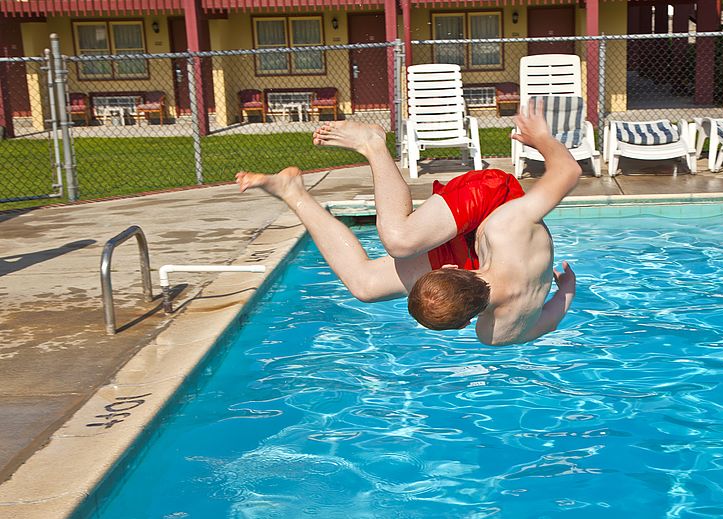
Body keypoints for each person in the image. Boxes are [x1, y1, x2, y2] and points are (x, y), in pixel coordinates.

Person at [236, 99, 579, 346]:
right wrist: (542, 139)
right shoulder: (507, 231)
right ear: (446, 267)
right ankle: (373, 144)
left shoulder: (498, 330)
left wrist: (566, 288)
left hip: (485, 256)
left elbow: (547, 320)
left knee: (365, 286)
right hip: (493, 202)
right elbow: (568, 172)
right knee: (399, 241)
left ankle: (293, 192)